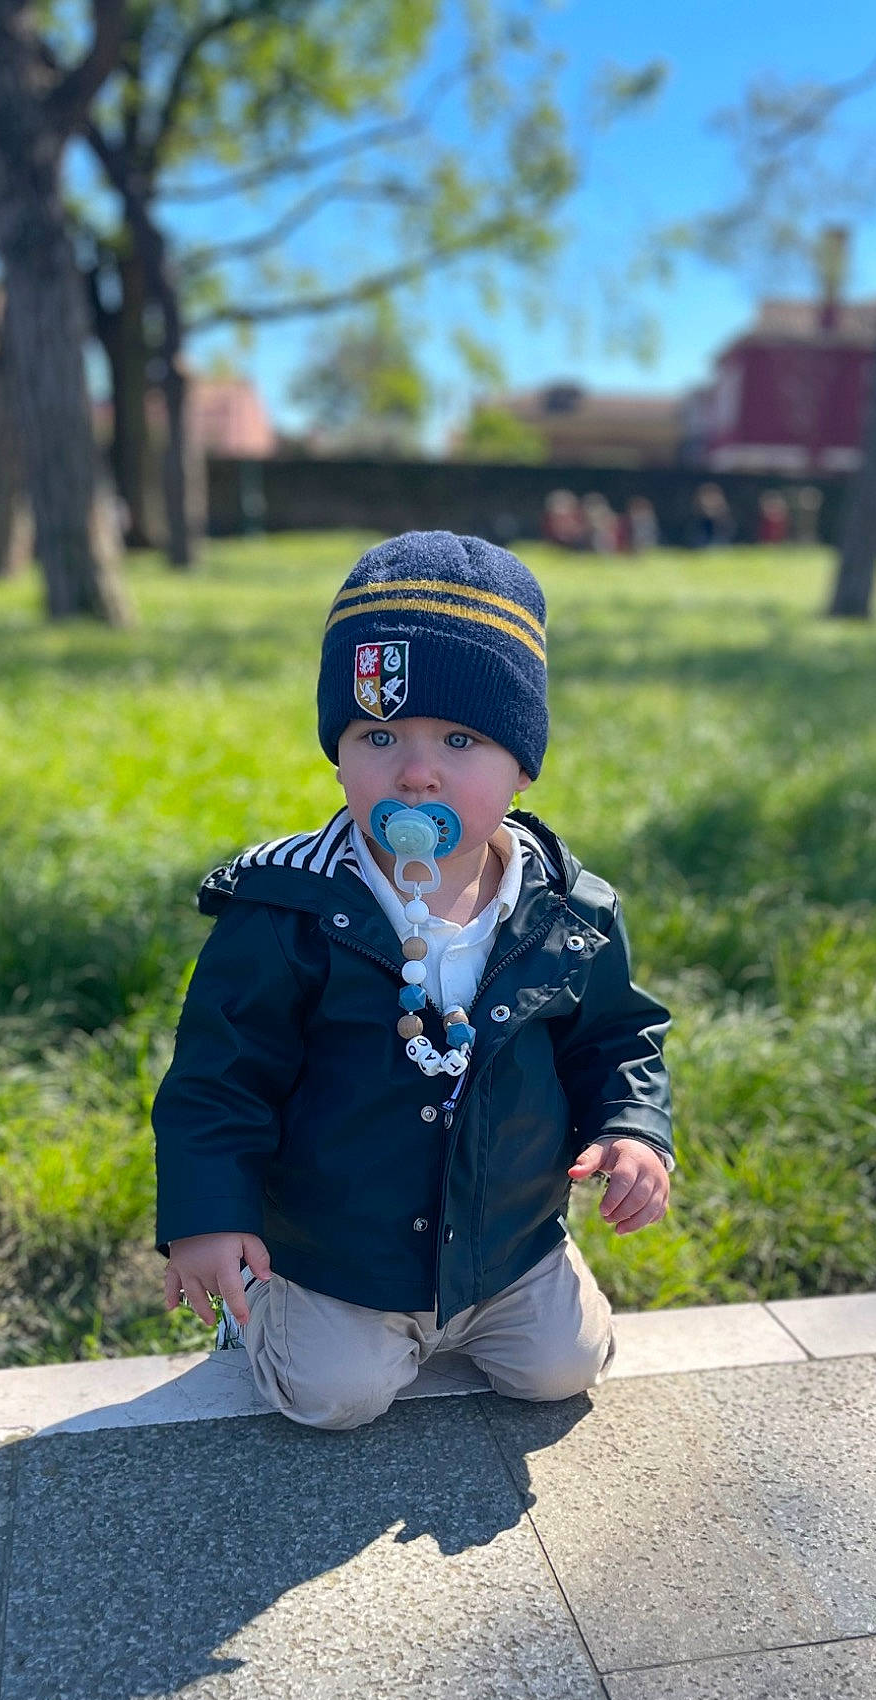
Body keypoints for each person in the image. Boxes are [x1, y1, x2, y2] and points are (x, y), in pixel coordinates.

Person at [153, 530, 674, 1431]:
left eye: (462, 739)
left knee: (563, 1368)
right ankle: (273, 1322)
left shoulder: (566, 909)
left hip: (505, 1242)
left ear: (521, 764)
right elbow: (217, 1077)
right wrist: (207, 1214)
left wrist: (633, 1129)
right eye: (378, 734)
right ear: (339, 748)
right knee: (333, 1398)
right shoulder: (289, 909)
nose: (417, 771)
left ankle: (494, 1303)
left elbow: (618, 1039)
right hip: (338, 1250)